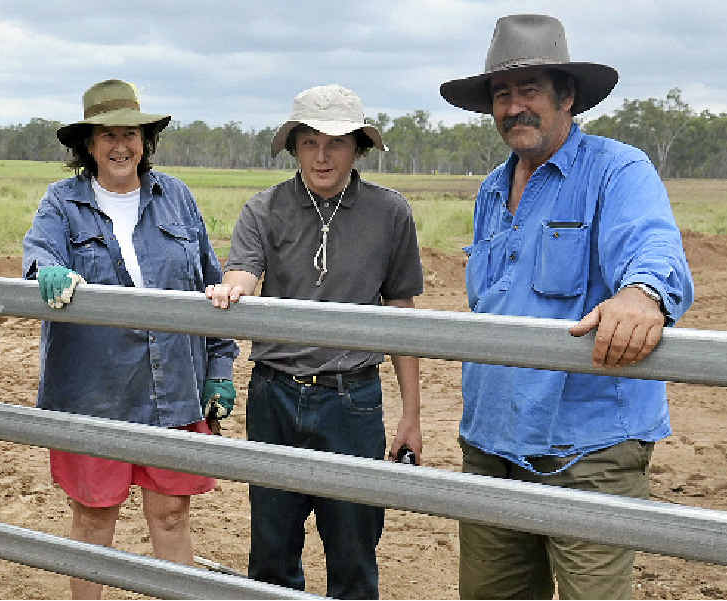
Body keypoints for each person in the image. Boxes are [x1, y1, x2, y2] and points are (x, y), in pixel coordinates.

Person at [439, 14, 695, 600]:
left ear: (567, 97)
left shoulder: (617, 170)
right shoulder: (491, 190)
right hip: (492, 445)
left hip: (587, 450)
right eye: (502, 94)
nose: (513, 107)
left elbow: (654, 248)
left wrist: (641, 294)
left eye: (529, 90)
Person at [21, 79, 238, 600]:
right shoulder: (63, 202)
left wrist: (220, 372)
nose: (121, 146)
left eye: (131, 134)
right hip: (97, 392)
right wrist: (48, 272)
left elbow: (214, 288)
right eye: (108, 135)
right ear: (88, 146)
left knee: (171, 512)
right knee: (95, 519)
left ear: (145, 141)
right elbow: (38, 254)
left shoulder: (177, 198)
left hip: (174, 384)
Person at [206, 84, 424, 599]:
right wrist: (230, 288)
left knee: (354, 551)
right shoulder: (264, 209)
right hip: (275, 393)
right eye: (309, 142)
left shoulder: (390, 213)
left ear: (358, 149)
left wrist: (411, 415)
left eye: (337, 143)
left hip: (353, 399)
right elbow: (243, 272)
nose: (322, 156)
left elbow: (402, 313)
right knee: (272, 552)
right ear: (294, 146)